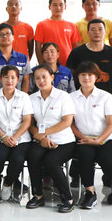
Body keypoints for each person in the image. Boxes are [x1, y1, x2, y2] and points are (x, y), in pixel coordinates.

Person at [70, 62, 112, 209]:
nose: (86, 78)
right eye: (83, 74)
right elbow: (70, 123)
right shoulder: (71, 97)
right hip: (83, 138)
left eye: (90, 75)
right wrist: (82, 138)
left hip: (107, 138)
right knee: (85, 156)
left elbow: (111, 124)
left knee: (106, 159)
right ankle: (90, 192)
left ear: (96, 77)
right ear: (78, 77)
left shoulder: (105, 97)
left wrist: (99, 140)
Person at [25, 64, 77, 212]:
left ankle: (68, 199)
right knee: (33, 155)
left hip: (63, 141)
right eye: (37, 78)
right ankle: (38, 195)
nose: (41, 81)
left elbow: (67, 121)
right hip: (41, 140)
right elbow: (30, 123)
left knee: (51, 160)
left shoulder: (63, 96)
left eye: (44, 77)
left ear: (52, 77)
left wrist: (45, 133)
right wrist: (41, 138)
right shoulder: (31, 98)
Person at [0, 65, 32, 203]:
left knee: (18, 159)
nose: (9, 81)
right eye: (6, 77)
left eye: (13, 77)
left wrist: (15, 137)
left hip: (21, 138)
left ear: (18, 79)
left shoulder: (24, 97)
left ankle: (7, 184)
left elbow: (27, 120)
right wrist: (3, 137)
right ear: (1, 78)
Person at [65, 19, 112, 95]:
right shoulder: (77, 52)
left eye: (100, 29)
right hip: (81, 96)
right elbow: (70, 75)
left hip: (106, 95)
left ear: (105, 32)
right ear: (88, 32)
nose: (97, 32)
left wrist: (104, 90)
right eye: (93, 29)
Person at [34, 0, 81, 66]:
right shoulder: (42, 24)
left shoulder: (72, 25)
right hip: (48, 64)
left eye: (61, 5)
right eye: (55, 5)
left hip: (68, 64)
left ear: (65, 7)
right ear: (49, 7)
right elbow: (38, 47)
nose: (58, 7)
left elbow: (76, 47)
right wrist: (42, 65)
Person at [0, 23, 30, 92]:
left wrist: (22, 97)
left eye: (8, 33)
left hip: (19, 97)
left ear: (13, 37)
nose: (5, 36)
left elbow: (26, 81)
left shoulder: (23, 58)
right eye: (1, 35)